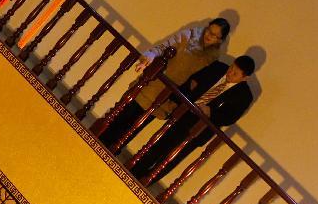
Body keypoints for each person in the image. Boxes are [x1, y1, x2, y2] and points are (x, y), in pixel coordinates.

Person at [95, 18, 231, 148]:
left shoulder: (212, 58)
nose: (208, 35)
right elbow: (162, 47)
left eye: (214, 35)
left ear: (220, 40)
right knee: (121, 116)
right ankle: (96, 140)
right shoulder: (188, 36)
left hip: (168, 98)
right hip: (152, 85)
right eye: (208, 30)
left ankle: (109, 152)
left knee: (134, 128)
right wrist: (150, 56)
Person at [129, 55, 256, 184]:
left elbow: (230, 118)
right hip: (183, 114)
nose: (230, 73)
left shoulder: (244, 96)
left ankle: (147, 181)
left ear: (245, 78)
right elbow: (193, 80)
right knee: (158, 145)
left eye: (235, 73)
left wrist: (211, 112)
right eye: (231, 68)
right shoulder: (218, 67)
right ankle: (134, 170)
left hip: (199, 129)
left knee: (172, 158)